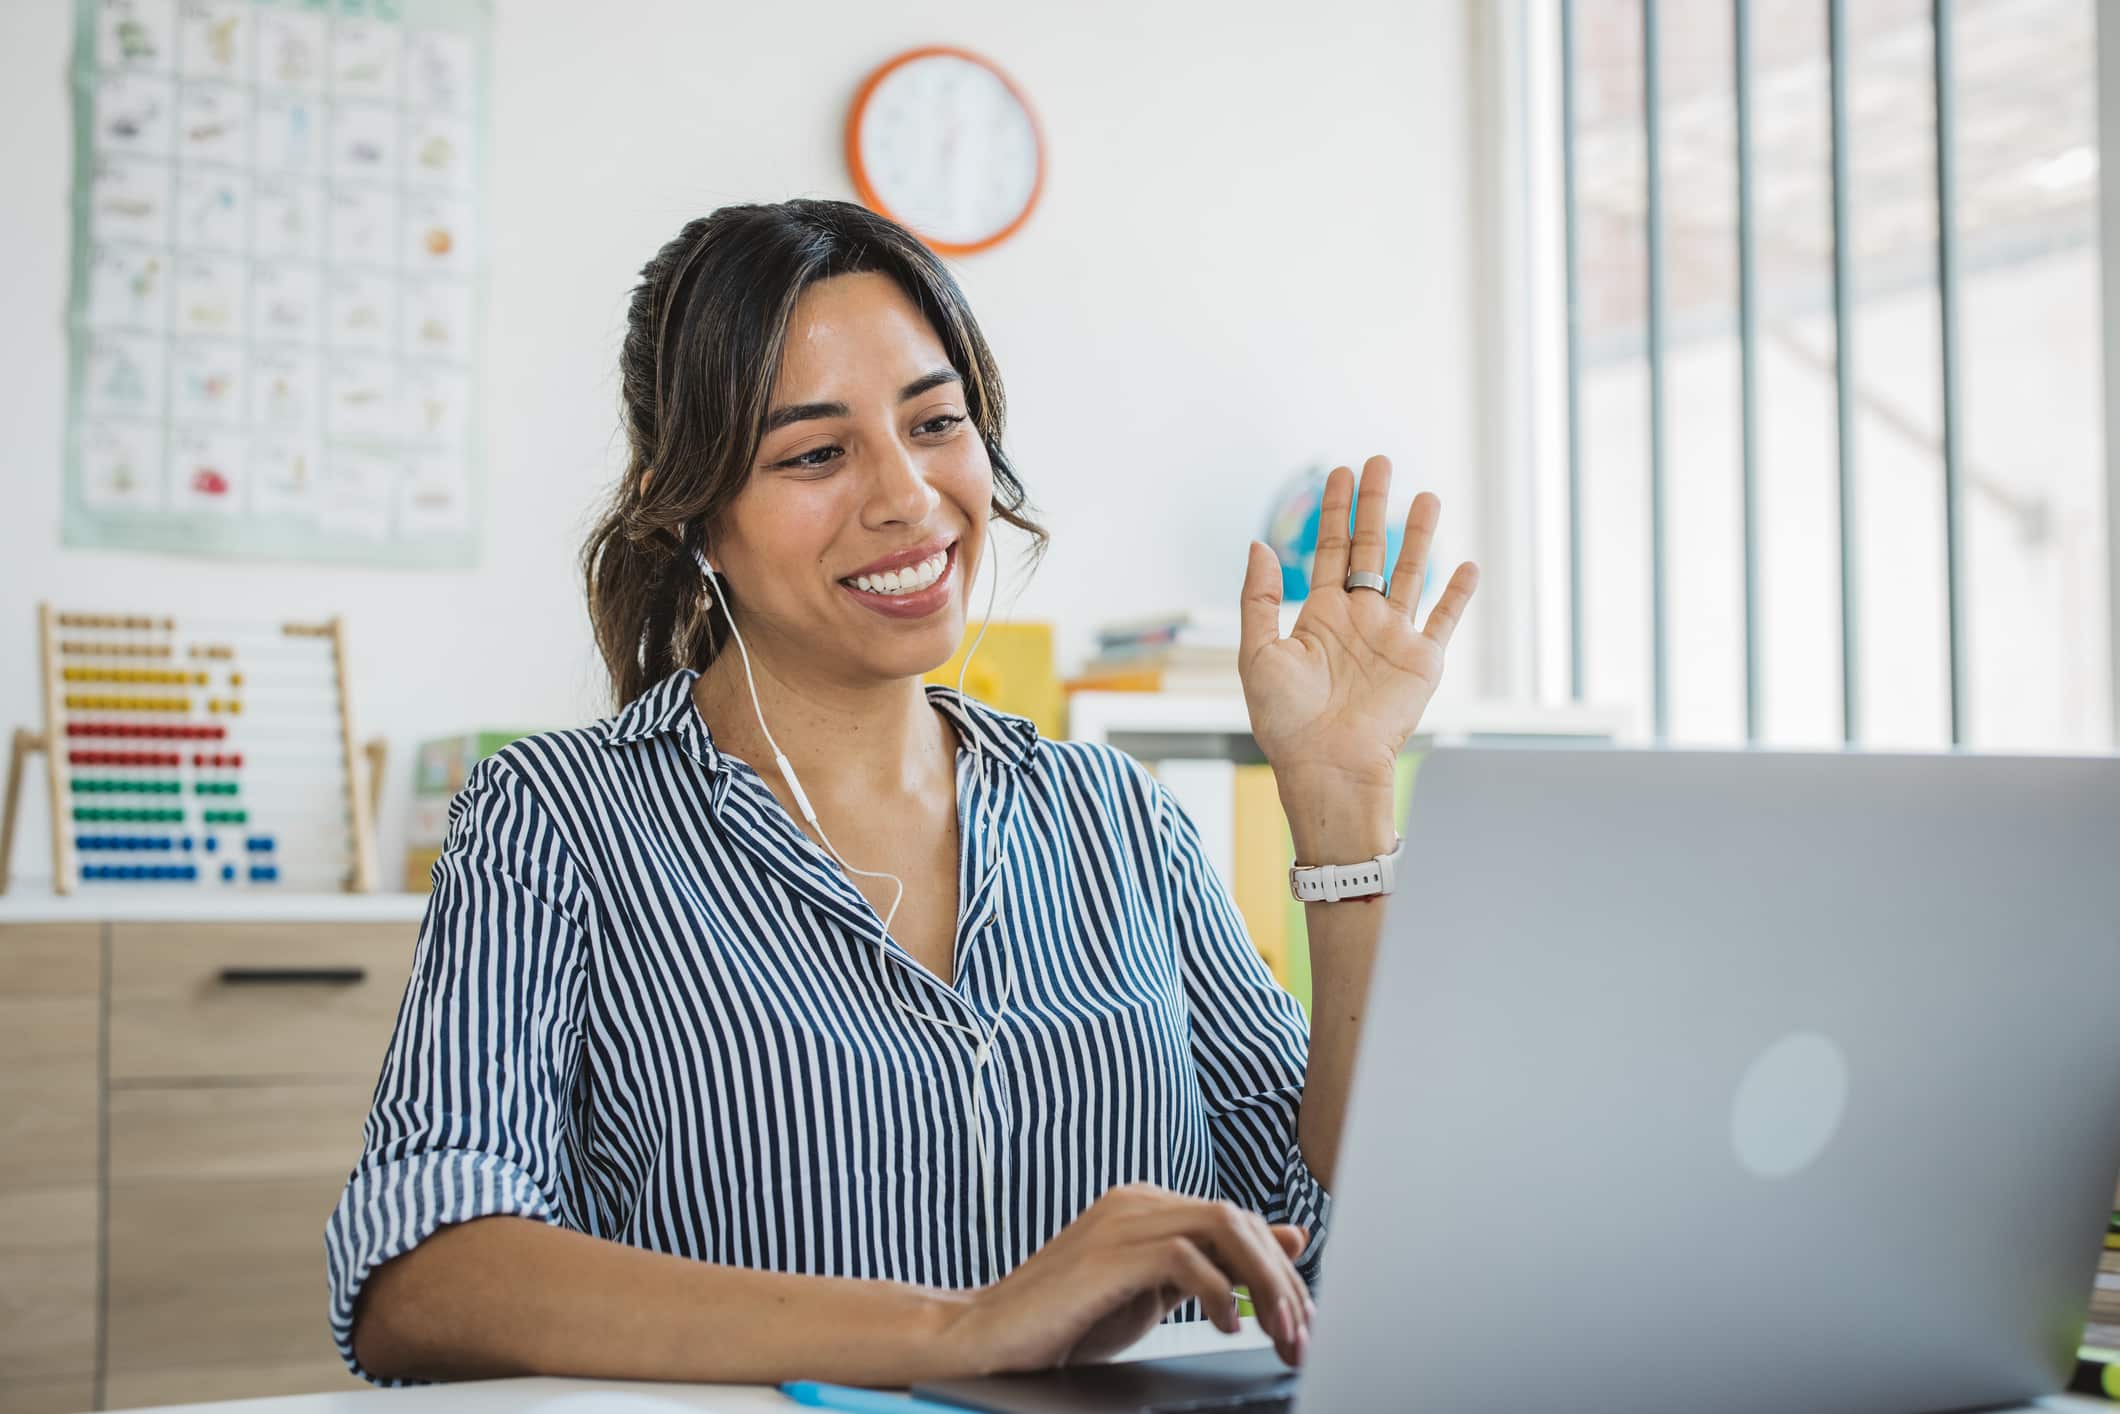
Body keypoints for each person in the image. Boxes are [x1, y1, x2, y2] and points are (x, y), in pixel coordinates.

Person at [325, 198, 1478, 1389]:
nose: (906, 498)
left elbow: (1342, 1236)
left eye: (936, 423)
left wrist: (1339, 802)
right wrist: (950, 1329)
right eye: (816, 453)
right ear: (695, 514)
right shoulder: (556, 817)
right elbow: (422, 1271)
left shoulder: (1112, 818)